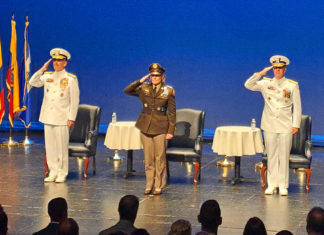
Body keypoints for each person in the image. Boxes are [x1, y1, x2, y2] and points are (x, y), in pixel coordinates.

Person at [244, 55, 301, 196]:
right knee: (272, 155)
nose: (277, 70)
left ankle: (282, 185)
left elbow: (298, 107)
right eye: (275, 68)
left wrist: (296, 125)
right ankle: (272, 184)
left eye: (280, 68)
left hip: (285, 124)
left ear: (285, 69)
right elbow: (248, 85)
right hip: (270, 124)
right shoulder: (265, 82)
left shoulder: (292, 85)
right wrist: (260, 73)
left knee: (283, 155)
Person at [124, 63, 176, 195]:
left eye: (157, 75)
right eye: (152, 75)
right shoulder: (144, 88)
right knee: (148, 159)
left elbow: (172, 113)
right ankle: (149, 184)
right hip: (145, 125)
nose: (154, 77)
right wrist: (140, 80)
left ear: (162, 77)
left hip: (160, 127)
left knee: (159, 158)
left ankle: (159, 185)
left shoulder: (168, 91)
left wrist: (170, 131)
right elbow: (127, 90)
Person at [29, 48, 80, 183]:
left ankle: (62, 172)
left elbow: (74, 100)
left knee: (61, 147)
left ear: (65, 63)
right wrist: (41, 70)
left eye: (59, 60)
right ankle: (53, 171)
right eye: (55, 60)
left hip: (62, 117)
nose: (56, 63)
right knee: (50, 147)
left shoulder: (70, 79)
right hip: (48, 116)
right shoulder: (47, 76)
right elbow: (32, 82)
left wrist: (71, 117)